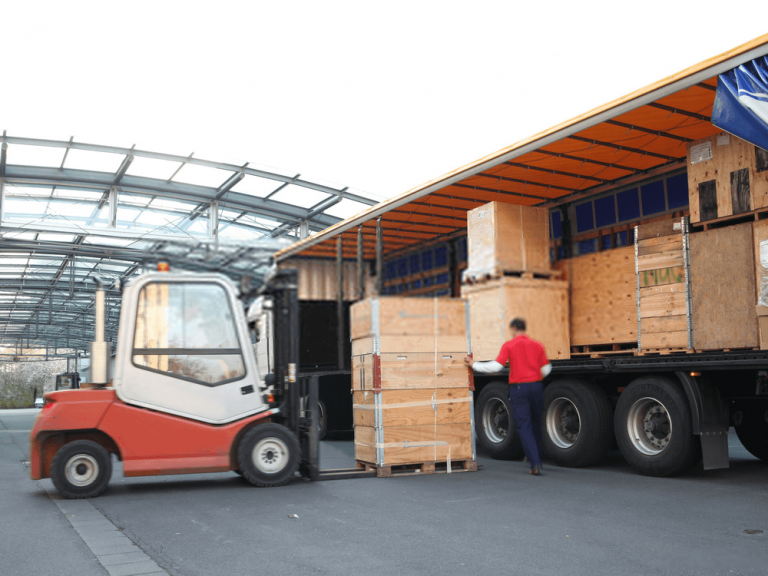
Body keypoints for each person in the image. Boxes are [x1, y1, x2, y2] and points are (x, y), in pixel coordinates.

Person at [464, 317, 551, 476]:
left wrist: (474, 364)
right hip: (537, 387)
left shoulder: (509, 345)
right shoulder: (538, 345)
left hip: (519, 388)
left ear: (513, 329)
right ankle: (536, 455)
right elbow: (546, 368)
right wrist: (535, 377)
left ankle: (535, 463)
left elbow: (497, 366)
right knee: (537, 422)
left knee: (524, 425)